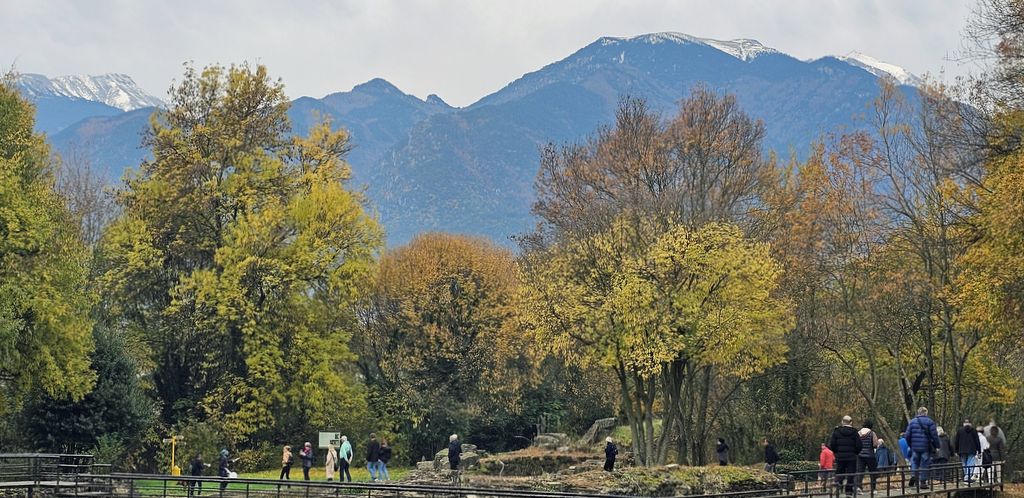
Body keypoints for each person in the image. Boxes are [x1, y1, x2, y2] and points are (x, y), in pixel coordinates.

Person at [906, 406, 941, 489]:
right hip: (925, 447)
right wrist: (937, 446)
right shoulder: (930, 422)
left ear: (918, 413)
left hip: (915, 447)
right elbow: (934, 436)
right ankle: (923, 482)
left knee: (914, 461)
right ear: (926, 413)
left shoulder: (912, 422)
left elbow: (907, 435)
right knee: (924, 464)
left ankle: (914, 475)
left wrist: (910, 444)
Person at [829, 415, 863, 495]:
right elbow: (859, 445)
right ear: (851, 422)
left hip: (840, 457)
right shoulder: (854, 432)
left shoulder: (836, 431)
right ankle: (848, 491)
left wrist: (836, 452)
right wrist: (855, 453)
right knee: (851, 474)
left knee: (840, 472)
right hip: (851, 457)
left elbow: (832, 444)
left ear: (842, 422)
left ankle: (838, 487)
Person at [856, 420, 880, 492]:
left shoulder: (858, 433)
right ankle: (873, 489)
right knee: (872, 472)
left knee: (860, 472)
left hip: (860, 456)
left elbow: (856, 444)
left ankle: (859, 487)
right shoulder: (872, 433)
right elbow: (875, 444)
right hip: (870, 455)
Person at [956, 420, 982, 484]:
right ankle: (967, 477)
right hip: (972, 449)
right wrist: (979, 451)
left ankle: (966, 476)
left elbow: (956, 441)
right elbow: (977, 441)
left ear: (963, 424)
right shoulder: (973, 431)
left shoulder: (960, 431)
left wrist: (956, 450)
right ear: (970, 424)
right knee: (970, 463)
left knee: (964, 463)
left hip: (961, 450)